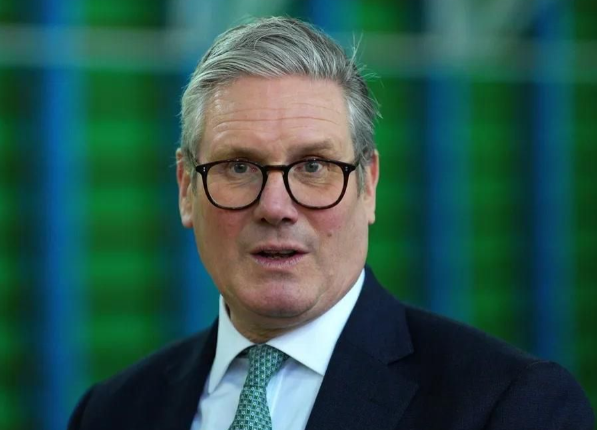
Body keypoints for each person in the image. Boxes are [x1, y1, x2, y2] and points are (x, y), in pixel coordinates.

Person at [68, 16, 594, 430]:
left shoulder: (511, 406)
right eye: (239, 167)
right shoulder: (111, 412)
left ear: (369, 185)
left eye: (314, 166)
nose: (276, 206)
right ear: (187, 188)